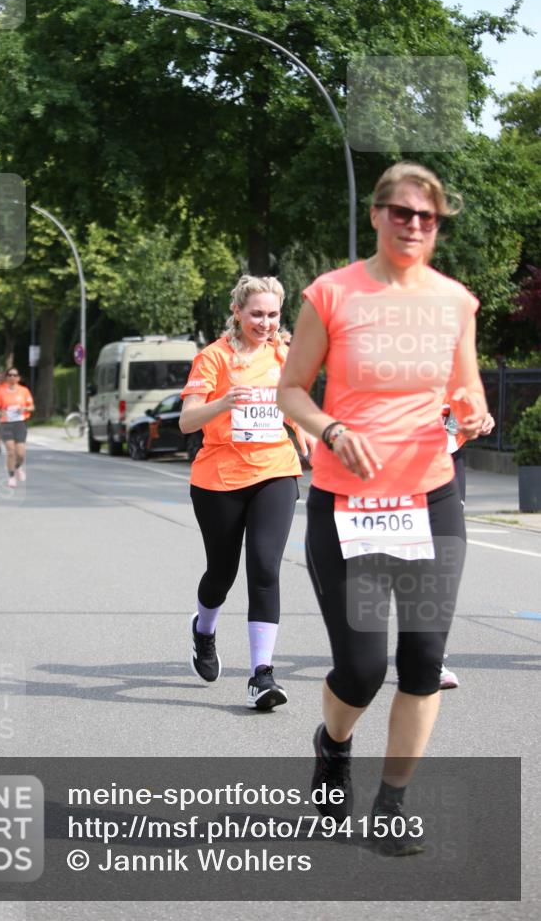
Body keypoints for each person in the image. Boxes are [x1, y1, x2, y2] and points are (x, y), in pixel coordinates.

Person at [278, 162, 487, 854]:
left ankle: (391, 806)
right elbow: (291, 392)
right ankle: (333, 742)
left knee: (423, 659)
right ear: (375, 216)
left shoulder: (455, 301)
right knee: (362, 668)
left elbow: (465, 388)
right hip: (347, 504)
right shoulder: (331, 294)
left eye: (426, 217)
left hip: (429, 497)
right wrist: (332, 429)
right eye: (400, 213)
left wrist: (473, 410)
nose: (413, 226)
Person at [179, 275, 314, 710]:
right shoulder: (212, 358)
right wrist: (222, 404)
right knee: (221, 574)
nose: (266, 322)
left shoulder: (284, 355)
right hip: (218, 478)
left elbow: (292, 403)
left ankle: (262, 674)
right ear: (237, 311)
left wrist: (305, 431)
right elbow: (185, 422)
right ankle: (203, 630)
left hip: (275, 471)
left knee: (264, 567)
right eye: (257, 313)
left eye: (273, 314)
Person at [438, 404, 495, 689]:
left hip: (448, 456)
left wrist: (481, 417)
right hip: (399, 462)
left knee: (447, 556)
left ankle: (433, 657)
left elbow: (468, 401)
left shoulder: (455, 359)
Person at [0, 367, 35, 488]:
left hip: (20, 423)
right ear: (7, 377)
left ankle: (18, 467)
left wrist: (24, 409)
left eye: (15, 375)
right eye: (10, 375)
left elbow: (31, 407)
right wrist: (0, 413)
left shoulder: (24, 391)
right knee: (11, 451)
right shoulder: (2, 392)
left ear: (18, 378)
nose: (12, 377)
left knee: (20, 454)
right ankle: (11, 477)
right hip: (6, 424)